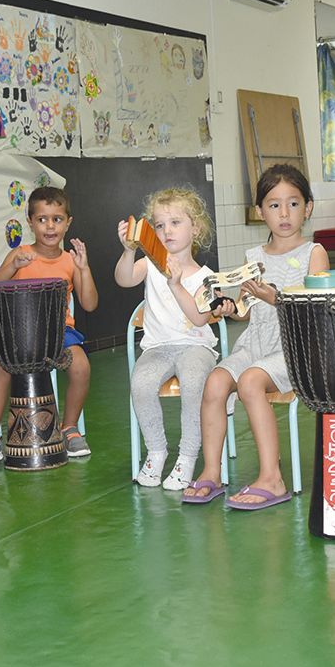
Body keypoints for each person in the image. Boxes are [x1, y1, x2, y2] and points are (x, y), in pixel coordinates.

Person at [183, 163, 328, 510]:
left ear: (307, 208)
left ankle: (272, 478)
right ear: (260, 211)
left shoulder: (314, 253)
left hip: (295, 348)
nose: (284, 213)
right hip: (255, 343)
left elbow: (316, 308)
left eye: (293, 204)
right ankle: (212, 472)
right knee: (215, 382)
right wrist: (230, 308)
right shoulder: (254, 257)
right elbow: (247, 310)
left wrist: (275, 297)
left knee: (249, 383)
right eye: (274, 205)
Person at [0, 186, 100, 465]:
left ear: (68, 223)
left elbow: (89, 304)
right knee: (3, 366)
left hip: (58, 333)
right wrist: (11, 266)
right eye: (42, 219)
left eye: (57, 219)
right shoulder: (20, 253)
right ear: (30, 222)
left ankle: (69, 427)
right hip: (18, 332)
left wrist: (84, 268)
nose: (50, 226)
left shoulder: (70, 261)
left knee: (81, 365)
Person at [114, 188, 220, 490]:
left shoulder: (205, 276)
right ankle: (157, 450)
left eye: (175, 222)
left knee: (193, 382)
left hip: (196, 347)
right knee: (141, 384)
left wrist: (175, 284)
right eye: (159, 225)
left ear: (195, 228)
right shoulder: (148, 264)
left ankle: (187, 455)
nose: (167, 231)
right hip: (158, 348)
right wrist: (128, 250)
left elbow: (201, 318)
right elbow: (123, 279)